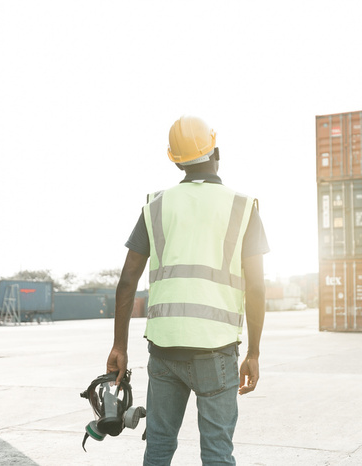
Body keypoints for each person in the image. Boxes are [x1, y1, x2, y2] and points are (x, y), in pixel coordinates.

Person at [106, 115, 269, 465]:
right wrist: (253, 353)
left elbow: (126, 282)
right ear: (216, 151)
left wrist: (119, 345)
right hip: (216, 350)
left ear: (176, 160)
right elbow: (256, 287)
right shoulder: (242, 206)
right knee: (217, 453)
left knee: (160, 447)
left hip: (164, 351)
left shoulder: (156, 205)